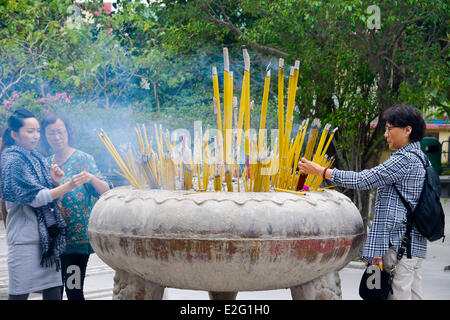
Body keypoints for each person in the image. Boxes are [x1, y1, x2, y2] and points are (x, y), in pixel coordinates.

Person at [298, 104, 428, 300]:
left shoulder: (405, 159)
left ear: (407, 130)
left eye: (389, 128)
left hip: (399, 246)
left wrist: (322, 171)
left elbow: (364, 179)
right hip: (413, 245)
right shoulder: (422, 157)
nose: (386, 134)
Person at [0, 109, 89, 300]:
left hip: (48, 242)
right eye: (30, 131)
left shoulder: (36, 158)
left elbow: (49, 197)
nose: (35, 136)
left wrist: (55, 183)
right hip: (25, 243)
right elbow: (36, 198)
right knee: (19, 296)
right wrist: (68, 185)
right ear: (14, 134)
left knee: (54, 293)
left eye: (37, 131)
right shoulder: (12, 161)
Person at [40, 112, 110, 300]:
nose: (57, 137)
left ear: (68, 132)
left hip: (75, 242)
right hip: (52, 242)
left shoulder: (83, 159)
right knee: (52, 293)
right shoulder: (45, 163)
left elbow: (105, 191)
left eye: (60, 132)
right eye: (51, 133)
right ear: (45, 136)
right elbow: (41, 200)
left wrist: (91, 177)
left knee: (74, 290)